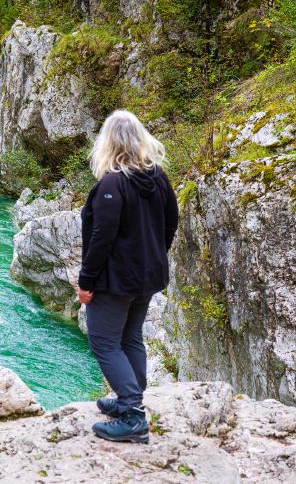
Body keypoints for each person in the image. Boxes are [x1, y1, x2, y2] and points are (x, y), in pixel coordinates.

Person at [78, 109, 178, 444]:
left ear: (108, 142)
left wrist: (86, 281)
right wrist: (154, 256)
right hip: (147, 277)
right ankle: (128, 401)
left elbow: (102, 238)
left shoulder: (112, 183)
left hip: (115, 281)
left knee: (104, 342)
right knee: (130, 337)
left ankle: (133, 415)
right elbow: (171, 223)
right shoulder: (158, 176)